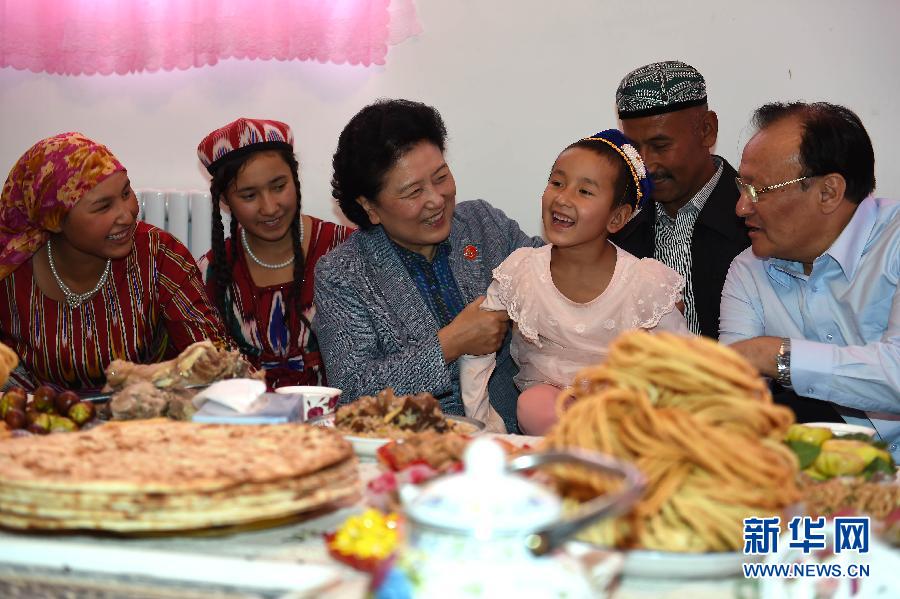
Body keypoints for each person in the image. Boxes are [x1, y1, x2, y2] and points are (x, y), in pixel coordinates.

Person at [313, 99, 543, 432]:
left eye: (441, 177)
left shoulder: (484, 225)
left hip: (519, 432)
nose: (436, 199)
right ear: (370, 208)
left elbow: (554, 273)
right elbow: (352, 392)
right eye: (413, 192)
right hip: (417, 445)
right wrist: (451, 343)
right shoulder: (344, 275)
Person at [461, 130, 690, 435]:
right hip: (547, 412)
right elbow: (477, 350)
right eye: (557, 183)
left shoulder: (643, 282)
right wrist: (483, 428)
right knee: (533, 405)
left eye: (584, 191)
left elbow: (683, 363)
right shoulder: (522, 270)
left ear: (617, 218)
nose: (563, 198)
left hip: (621, 412)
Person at [720, 101, 900, 459]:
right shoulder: (749, 269)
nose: (741, 207)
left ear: (828, 192)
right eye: (742, 187)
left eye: (758, 190)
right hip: (825, 473)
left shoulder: (893, 241)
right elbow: (733, 396)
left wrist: (774, 355)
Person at [0, 132, 230, 392]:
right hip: (42, 413)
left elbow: (214, 358)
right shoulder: (12, 271)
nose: (127, 214)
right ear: (53, 219)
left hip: (148, 409)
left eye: (126, 192)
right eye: (103, 207)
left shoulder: (158, 255)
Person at [196, 118, 353, 389]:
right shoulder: (211, 272)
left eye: (279, 187)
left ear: (295, 177)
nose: (269, 208)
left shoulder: (344, 250)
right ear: (224, 200)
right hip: (245, 415)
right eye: (249, 196)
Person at [611, 60, 749, 339]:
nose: (645, 165)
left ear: (707, 130)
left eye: (660, 146)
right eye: (634, 149)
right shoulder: (617, 225)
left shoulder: (757, 220)